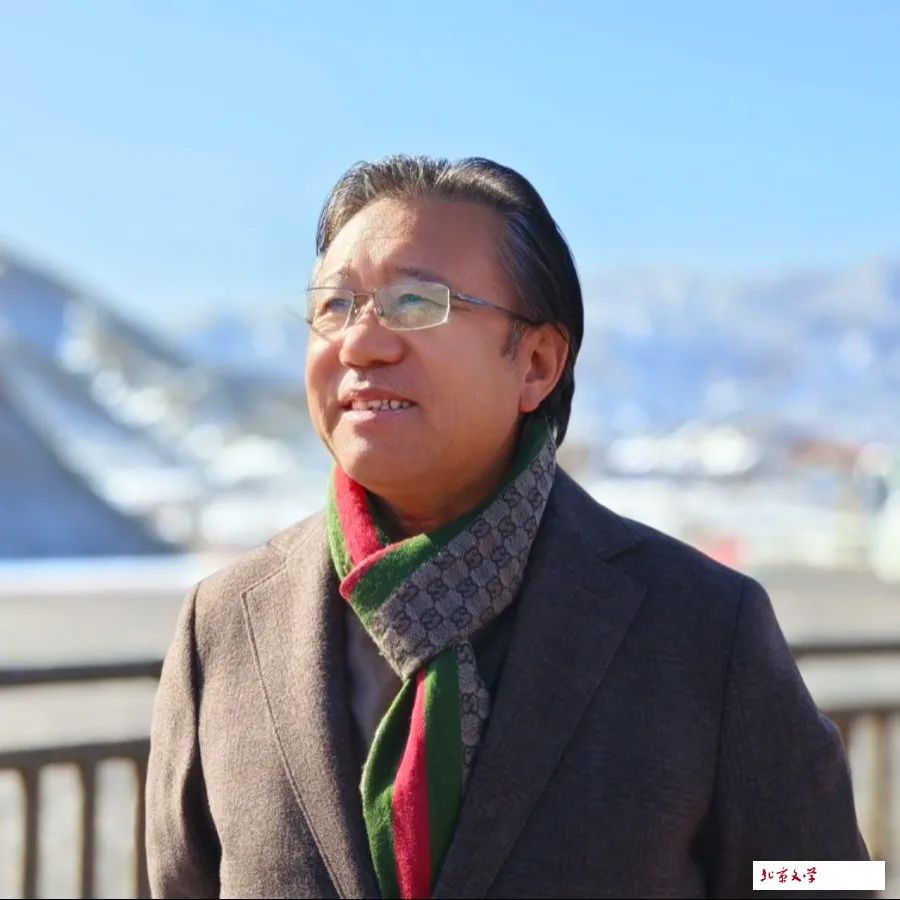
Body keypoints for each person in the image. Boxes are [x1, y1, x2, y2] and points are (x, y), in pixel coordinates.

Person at [146, 155, 871, 899]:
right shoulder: (226, 624)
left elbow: (825, 882)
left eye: (414, 301)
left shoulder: (702, 626)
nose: (360, 343)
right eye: (335, 305)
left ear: (537, 363)